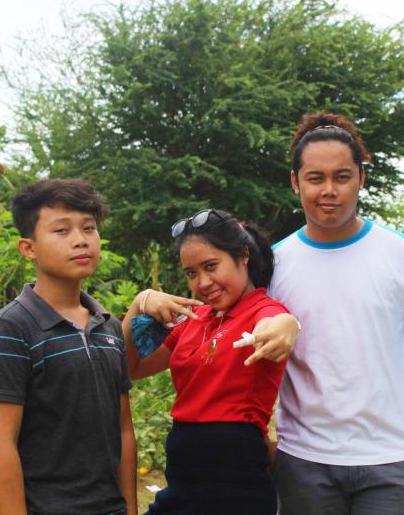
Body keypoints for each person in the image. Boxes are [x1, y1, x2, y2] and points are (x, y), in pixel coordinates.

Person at [269, 112, 404, 515]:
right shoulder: (274, 264)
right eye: (315, 178)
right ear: (296, 182)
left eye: (342, 177)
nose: (329, 190)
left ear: (361, 179)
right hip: (304, 462)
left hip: (393, 464)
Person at [0, 179, 137, 514]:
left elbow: (123, 429)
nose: (81, 240)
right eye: (62, 230)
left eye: (88, 228)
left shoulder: (108, 327)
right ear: (28, 248)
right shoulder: (9, 331)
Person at [122, 209, 300, 515]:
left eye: (211, 266)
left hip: (233, 482)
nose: (203, 282)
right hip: (183, 480)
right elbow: (129, 368)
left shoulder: (262, 310)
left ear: (243, 256)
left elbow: (272, 323)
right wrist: (139, 303)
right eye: (191, 273)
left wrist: (287, 323)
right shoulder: (193, 318)